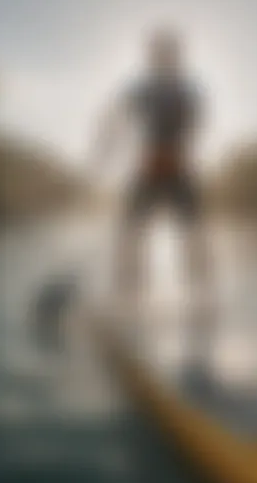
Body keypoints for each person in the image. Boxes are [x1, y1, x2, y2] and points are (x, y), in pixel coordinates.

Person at [91, 27, 214, 363]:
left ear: (175, 57)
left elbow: (195, 122)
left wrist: (173, 150)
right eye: (160, 54)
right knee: (131, 234)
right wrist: (105, 148)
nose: (163, 59)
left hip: (173, 168)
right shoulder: (144, 89)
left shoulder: (187, 91)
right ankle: (129, 300)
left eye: (168, 54)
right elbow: (116, 116)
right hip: (152, 168)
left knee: (192, 236)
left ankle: (203, 302)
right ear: (154, 57)